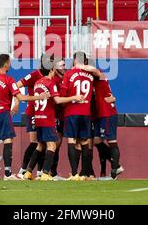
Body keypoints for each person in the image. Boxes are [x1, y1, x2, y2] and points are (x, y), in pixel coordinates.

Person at [23, 59, 84, 181]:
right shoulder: (50, 83)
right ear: (51, 70)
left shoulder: (37, 83)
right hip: (47, 119)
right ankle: (45, 173)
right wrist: (75, 97)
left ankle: (28, 172)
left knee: (40, 146)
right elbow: (57, 100)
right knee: (52, 145)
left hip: (38, 117)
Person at [60, 51, 96, 180]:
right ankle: (85, 173)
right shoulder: (91, 76)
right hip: (86, 112)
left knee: (72, 141)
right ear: (85, 61)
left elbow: (63, 95)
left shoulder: (68, 74)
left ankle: (74, 173)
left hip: (72, 112)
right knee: (85, 142)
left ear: (74, 60)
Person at [15, 54, 51, 179]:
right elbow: (16, 85)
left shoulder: (51, 76)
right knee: (35, 142)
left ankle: (40, 172)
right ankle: (22, 170)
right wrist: (16, 101)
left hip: (45, 113)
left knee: (43, 142)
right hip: (33, 112)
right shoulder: (35, 74)